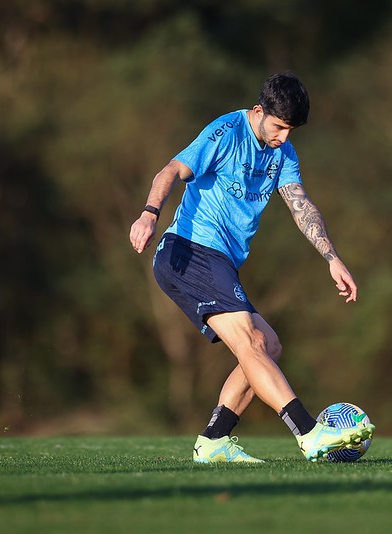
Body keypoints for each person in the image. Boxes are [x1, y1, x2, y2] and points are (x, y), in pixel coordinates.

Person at [129, 72, 374, 463]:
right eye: (279, 127)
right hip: (189, 250)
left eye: (291, 130)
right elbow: (170, 171)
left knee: (268, 345)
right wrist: (148, 214)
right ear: (258, 111)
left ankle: (213, 442)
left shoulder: (283, 153)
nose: (283, 138)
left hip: (218, 260)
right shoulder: (225, 131)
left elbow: (300, 206)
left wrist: (332, 257)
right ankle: (309, 433)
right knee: (250, 342)